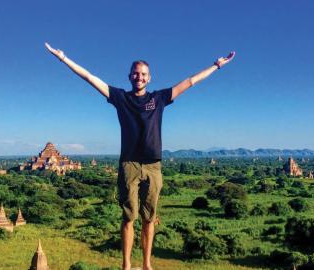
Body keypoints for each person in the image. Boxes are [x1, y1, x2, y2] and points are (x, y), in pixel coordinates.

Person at [45, 42, 235, 270]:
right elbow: (89, 77)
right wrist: (63, 58)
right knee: (128, 217)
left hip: (153, 166)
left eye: (143, 74)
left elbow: (191, 81)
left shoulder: (159, 99)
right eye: (136, 73)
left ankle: (146, 264)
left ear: (149, 78)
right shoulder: (121, 98)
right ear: (129, 76)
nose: (139, 77)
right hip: (129, 165)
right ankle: (126, 265)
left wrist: (217, 65)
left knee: (149, 218)